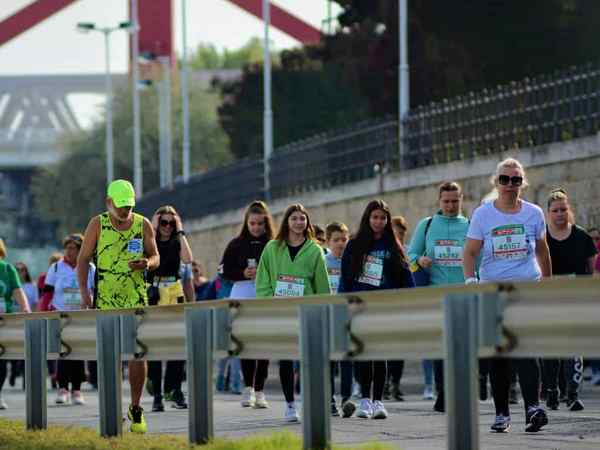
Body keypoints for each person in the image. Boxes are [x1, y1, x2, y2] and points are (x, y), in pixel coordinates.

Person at [463, 158, 551, 433]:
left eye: (515, 180)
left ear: (522, 183)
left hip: (526, 289)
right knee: (499, 353)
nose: (509, 185)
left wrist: (547, 283)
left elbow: (542, 250)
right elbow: (469, 252)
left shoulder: (534, 213)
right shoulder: (483, 214)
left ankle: (532, 408)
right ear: (496, 182)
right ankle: (502, 412)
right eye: (504, 179)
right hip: (494, 291)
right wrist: (470, 281)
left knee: (526, 349)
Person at [77, 179, 159, 434]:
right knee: (111, 358)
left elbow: (156, 256)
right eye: (121, 206)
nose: (126, 211)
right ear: (109, 203)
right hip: (106, 302)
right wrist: (85, 294)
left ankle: (135, 407)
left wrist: (147, 263)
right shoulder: (97, 224)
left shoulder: (142, 223)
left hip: (136, 299)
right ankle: (112, 408)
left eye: (130, 206)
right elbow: (82, 260)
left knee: (137, 355)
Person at [339, 200, 415, 420]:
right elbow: (345, 278)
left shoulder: (394, 246)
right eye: (375, 217)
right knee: (363, 355)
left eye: (383, 218)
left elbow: (406, 279)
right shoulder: (354, 245)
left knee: (381, 355)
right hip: (360, 307)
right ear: (367, 218)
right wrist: (344, 304)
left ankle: (378, 401)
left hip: (385, 308)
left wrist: (409, 303)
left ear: (387, 220)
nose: (379, 221)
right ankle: (364, 400)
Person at [256, 203, 330, 422]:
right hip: (280, 312)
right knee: (286, 359)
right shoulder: (271, 248)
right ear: (287, 221)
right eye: (294, 218)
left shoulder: (315, 250)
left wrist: (321, 310)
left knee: (310, 359)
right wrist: (271, 303)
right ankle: (290, 405)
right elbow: (262, 280)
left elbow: (322, 286)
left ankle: (310, 401)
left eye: (302, 218)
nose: (299, 222)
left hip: (306, 312)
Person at [408, 181, 471, 412]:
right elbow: (411, 253)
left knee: (462, 346)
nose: (451, 205)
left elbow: (480, 257)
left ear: (461, 200)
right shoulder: (427, 225)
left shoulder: (470, 225)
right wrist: (419, 260)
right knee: (441, 346)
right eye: (446, 201)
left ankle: (461, 391)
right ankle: (443, 392)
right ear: (439, 201)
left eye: (455, 201)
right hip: (436, 295)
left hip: (464, 294)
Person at [542, 188, 597, 412]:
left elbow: (590, 268)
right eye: (555, 210)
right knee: (550, 348)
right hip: (548, 301)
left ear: (569, 210)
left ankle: (573, 395)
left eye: (564, 209)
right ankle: (552, 391)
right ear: (548, 213)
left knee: (574, 348)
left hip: (575, 300)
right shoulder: (542, 238)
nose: (560, 214)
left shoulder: (582, 236)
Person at [222, 200, 275, 409]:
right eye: (252, 223)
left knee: (263, 343)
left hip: (264, 294)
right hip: (242, 291)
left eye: (260, 224)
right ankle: (247, 388)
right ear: (247, 223)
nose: (256, 228)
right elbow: (224, 271)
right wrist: (242, 273)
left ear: (266, 223)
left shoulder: (273, 244)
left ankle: (260, 390)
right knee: (245, 342)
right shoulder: (236, 244)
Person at [147, 205, 193, 412]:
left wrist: (181, 230)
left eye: (171, 223)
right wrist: (152, 227)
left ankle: (174, 389)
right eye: (163, 222)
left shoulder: (177, 241)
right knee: (154, 346)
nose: (167, 226)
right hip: (153, 293)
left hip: (174, 290)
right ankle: (157, 393)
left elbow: (188, 259)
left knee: (177, 344)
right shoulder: (149, 241)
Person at [43, 234, 95, 406]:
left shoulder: (90, 267)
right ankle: (63, 388)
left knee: (79, 352)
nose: (69, 251)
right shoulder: (56, 267)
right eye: (67, 247)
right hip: (60, 314)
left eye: (73, 248)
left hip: (82, 315)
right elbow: (48, 293)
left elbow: (95, 290)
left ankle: (77, 389)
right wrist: (43, 313)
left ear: (81, 250)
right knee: (63, 352)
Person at [324, 221, 354, 417]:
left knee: (347, 359)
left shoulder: (352, 261)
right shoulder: (323, 263)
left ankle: (347, 399)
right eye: (336, 240)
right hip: (328, 315)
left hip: (347, 315)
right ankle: (329, 401)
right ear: (328, 241)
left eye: (344, 239)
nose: (341, 244)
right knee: (330, 362)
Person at [0, 238, 32, 409]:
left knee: (2, 361)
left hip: (5, 322)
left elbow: (18, 291)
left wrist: (25, 308)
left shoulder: (7, 269)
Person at [386, 215, 409, 402]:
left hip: (401, 305)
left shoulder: (406, 252)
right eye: (395, 232)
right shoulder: (383, 251)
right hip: (384, 304)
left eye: (401, 233)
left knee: (399, 349)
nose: (398, 236)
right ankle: (385, 383)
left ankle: (396, 383)